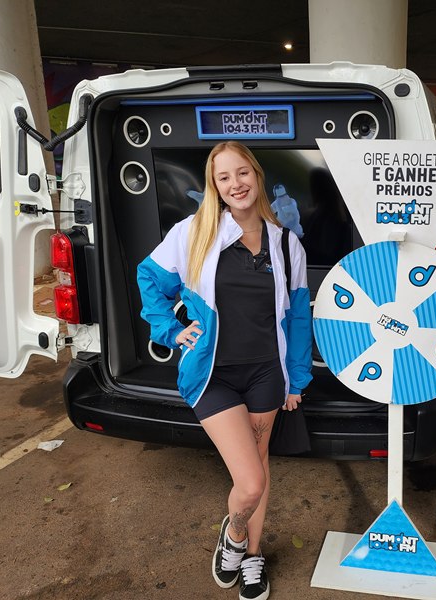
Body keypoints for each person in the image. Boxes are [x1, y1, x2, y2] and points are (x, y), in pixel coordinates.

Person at [137, 141, 312, 600]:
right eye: (224, 177)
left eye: (243, 173)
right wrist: (171, 330)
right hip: (212, 374)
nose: (236, 184)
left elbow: (298, 315)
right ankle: (234, 536)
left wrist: (296, 378)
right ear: (214, 186)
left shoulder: (286, 243)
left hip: (266, 373)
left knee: (260, 467)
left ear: (256, 175)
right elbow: (149, 278)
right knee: (249, 482)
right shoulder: (195, 232)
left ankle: (252, 556)